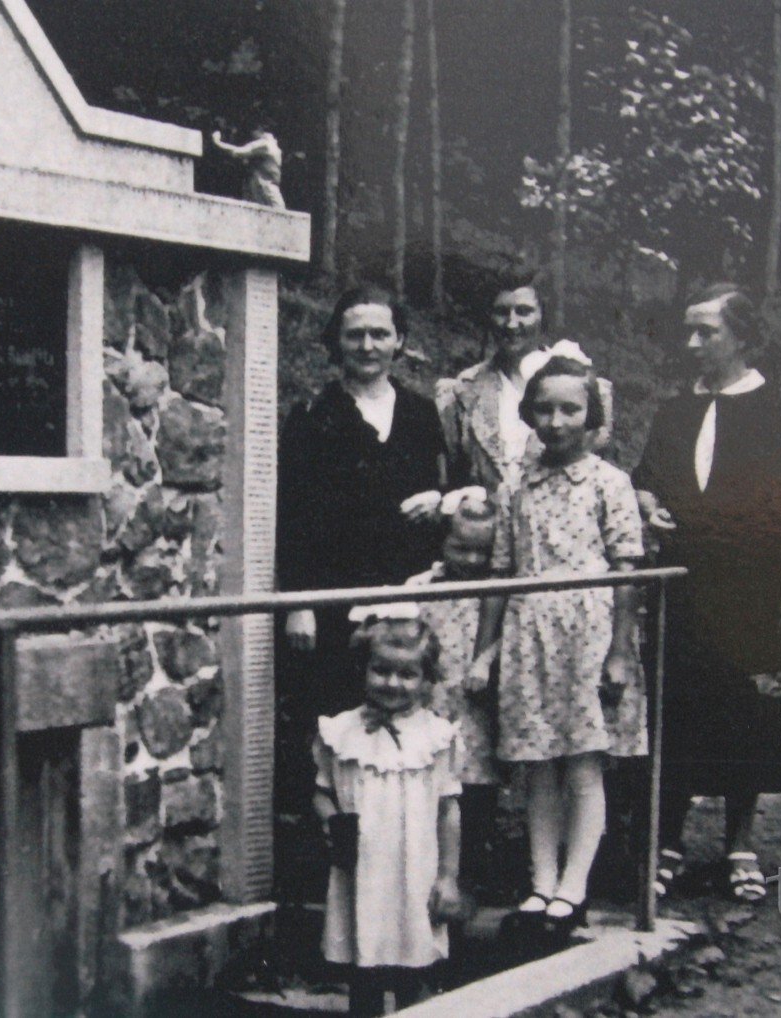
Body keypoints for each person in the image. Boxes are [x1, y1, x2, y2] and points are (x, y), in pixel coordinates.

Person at [631, 282, 781, 903]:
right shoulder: (673, 411)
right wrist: (649, 506)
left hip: (751, 587)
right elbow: (645, 481)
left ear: (742, 336)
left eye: (705, 332)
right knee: (677, 711)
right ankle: (669, 843)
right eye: (687, 331)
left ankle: (740, 842)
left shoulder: (776, 409)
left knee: (748, 713)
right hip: (682, 587)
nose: (691, 344)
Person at [275, 284, 447, 897]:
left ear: (399, 341)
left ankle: (410, 877)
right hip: (332, 601)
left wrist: (444, 504)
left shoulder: (424, 415)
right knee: (341, 732)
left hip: (408, 596)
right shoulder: (314, 417)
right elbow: (290, 517)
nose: (368, 345)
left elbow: (453, 502)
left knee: (409, 726)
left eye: (380, 333)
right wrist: (296, 603)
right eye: (355, 334)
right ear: (335, 343)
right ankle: (337, 881)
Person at [471, 347, 646, 933]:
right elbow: (502, 571)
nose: (557, 422)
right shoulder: (517, 484)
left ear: (591, 415)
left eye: (571, 409)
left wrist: (620, 650)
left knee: (582, 766)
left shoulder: (609, 482)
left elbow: (627, 570)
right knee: (536, 765)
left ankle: (574, 889)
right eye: (543, 409)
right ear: (529, 414)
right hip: (528, 633)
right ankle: (541, 885)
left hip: (589, 634)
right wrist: (486, 649)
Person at [313, 609, 463, 1016]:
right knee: (364, 965)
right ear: (363, 669)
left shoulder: (436, 736)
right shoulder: (339, 732)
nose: (393, 683)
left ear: (426, 678)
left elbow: (448, 810)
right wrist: (331, 821)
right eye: (381, 670)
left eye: (408, 674)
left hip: (415, 870)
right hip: (362, 870)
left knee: (414, 965)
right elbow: (322, 793)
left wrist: (449, 877)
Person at [437, 273, 614, 495]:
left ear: (542, 316)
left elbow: (603, 475)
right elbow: (450, 479)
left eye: (524, 311)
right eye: (502, 312)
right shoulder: (463, 391)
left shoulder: (578, 384)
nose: (511, 324)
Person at [406, 492, 502, 901]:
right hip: (432, 705)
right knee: (429, 789)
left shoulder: (497, 594)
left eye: (483, 552)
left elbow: (503, 635)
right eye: (461, 547)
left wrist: (486, 662)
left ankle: (473, 873)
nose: (472, 560)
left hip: (474, 707)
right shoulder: (422, 586)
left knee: (475, 788)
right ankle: (425, 872)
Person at [211, 123, 285, 208]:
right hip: (263, 185)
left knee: (280, 214)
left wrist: (217, 142)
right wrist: (218, 143)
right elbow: (238, 153)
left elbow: (237, 152)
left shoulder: (266, 144)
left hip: (267, 186)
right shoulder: (266, 144)